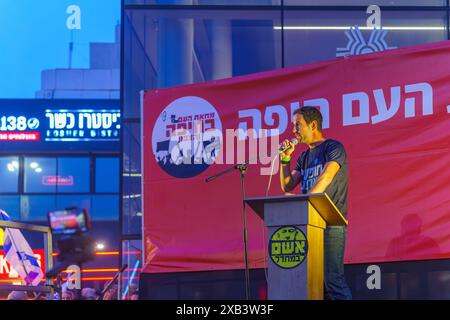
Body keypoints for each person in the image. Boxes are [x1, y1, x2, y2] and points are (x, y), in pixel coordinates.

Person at [279, 106, 352, 300]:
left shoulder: (333, 147)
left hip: (331, 224)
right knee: (313, 282)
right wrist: (285, 159)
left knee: (332, 281)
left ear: (313, 125)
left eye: (297, 125)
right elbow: (287, 185)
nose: (294, 130)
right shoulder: (303, 157)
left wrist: (304, 202)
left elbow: (326, 177)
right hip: (309, 225)